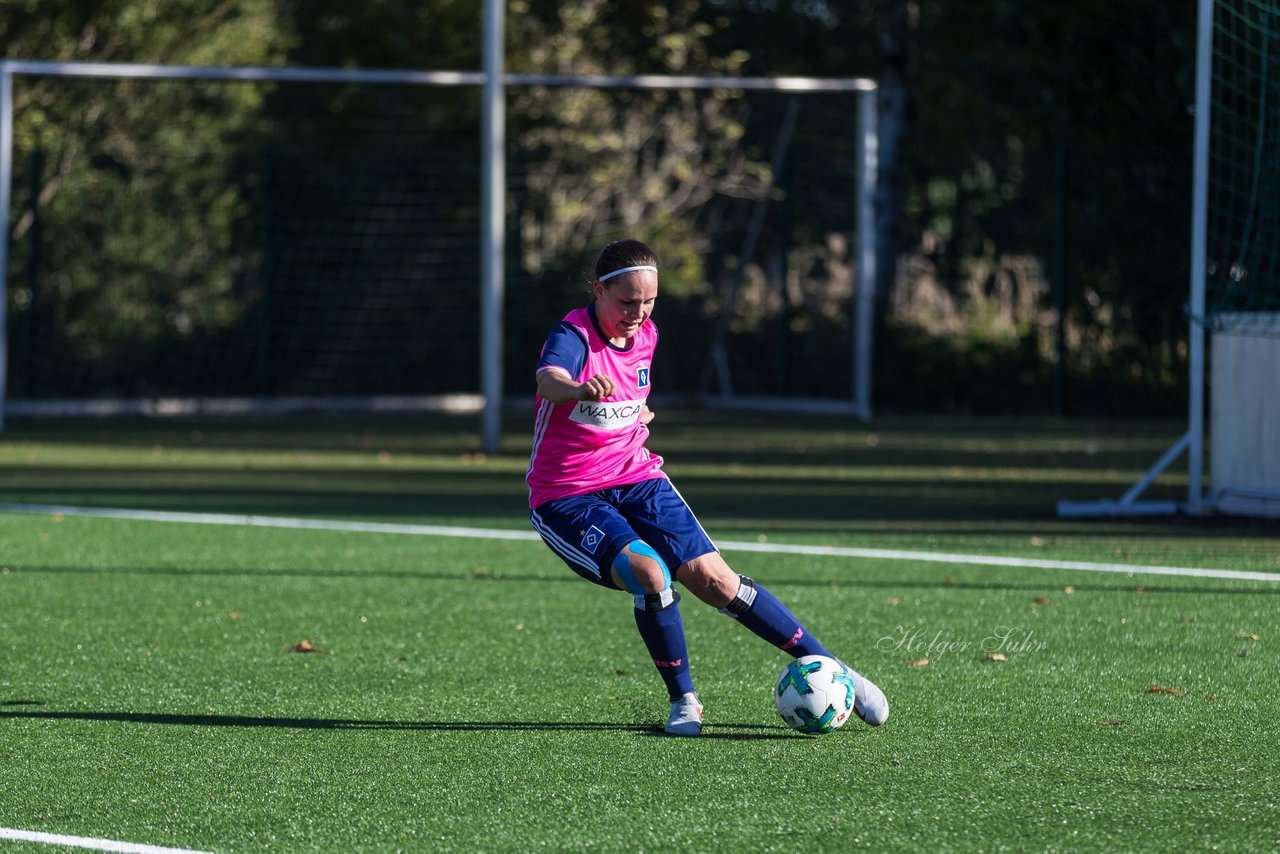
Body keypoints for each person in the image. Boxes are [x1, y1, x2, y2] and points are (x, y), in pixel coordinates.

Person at [526, 238, 888, 736]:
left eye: (648, 301)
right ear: (598, 290)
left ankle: (833, 668)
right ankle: (685, 702)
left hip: (636, 476)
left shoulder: (648, 335)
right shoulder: (574, 333)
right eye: (626, 301)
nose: (638, 312)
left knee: (718, 583)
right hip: (567, 494)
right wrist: (578, 389)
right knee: (651, 575)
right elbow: (549, 379)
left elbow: (631, 399)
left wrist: (635, 414)